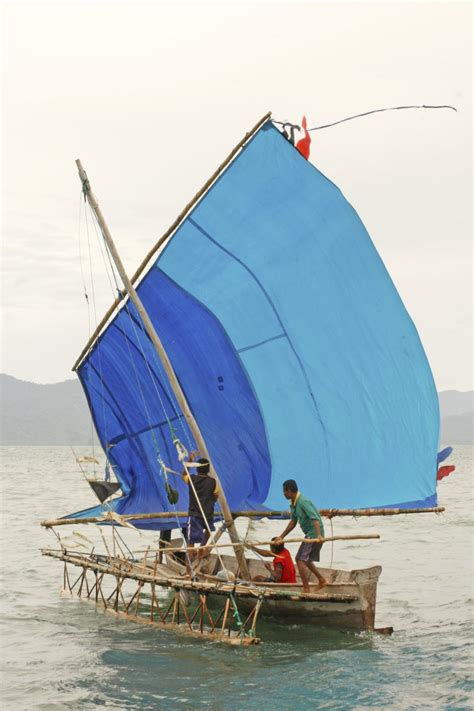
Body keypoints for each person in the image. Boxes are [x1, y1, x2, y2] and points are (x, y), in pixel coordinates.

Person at [275, 479, 328, 593]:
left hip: (314, 534)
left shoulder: (302, 501)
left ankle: (306, 589)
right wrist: (281, 536)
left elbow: (315, 518)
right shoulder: (293, 503)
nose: (283, 494)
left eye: (284, 491)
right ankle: (321, 580)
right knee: (307, 560)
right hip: (310, 534)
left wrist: (319, 535)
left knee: (299, 559)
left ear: (289, 491)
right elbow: (293, 522)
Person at [182, 452, 219, 560]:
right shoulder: (213, 482)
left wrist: (190, 461)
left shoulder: (192, 479)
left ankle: (189, 569)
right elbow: (215, 496)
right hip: (208, 514)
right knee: (209, 529)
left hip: (194, 514)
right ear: (208, 470)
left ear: (197, 469)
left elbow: (184, 474)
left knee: (190, 542)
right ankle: (201, 548)